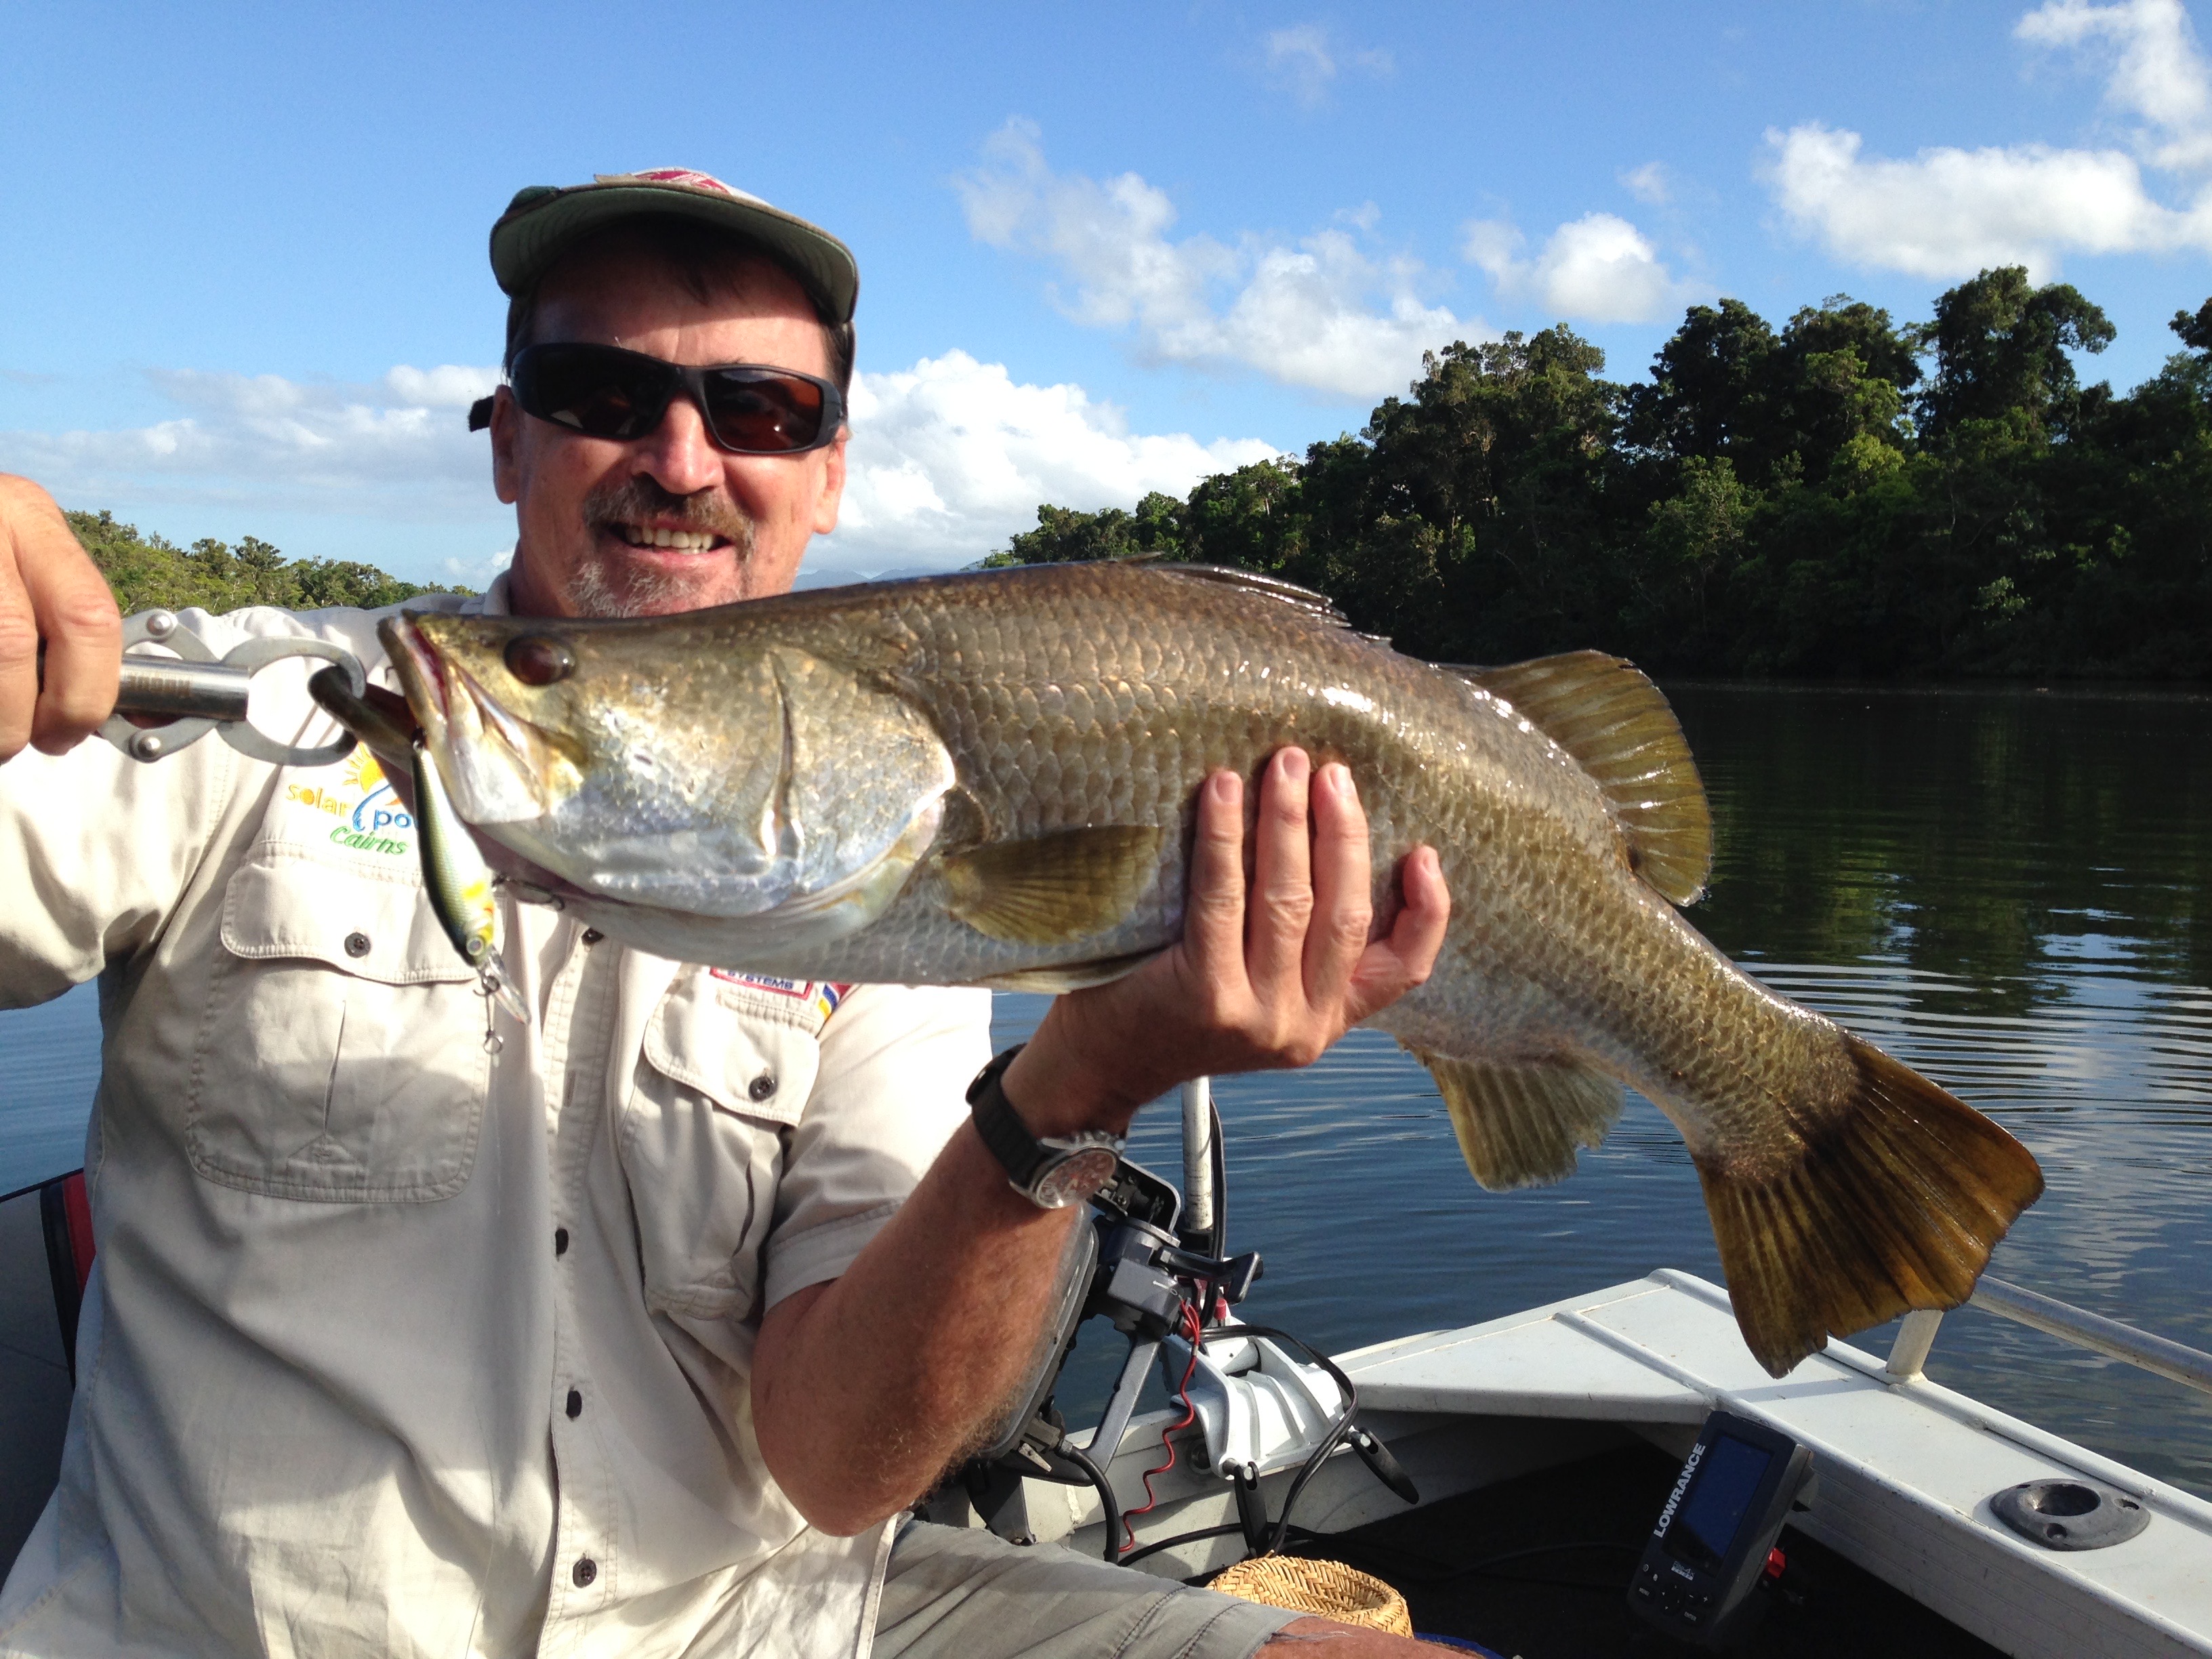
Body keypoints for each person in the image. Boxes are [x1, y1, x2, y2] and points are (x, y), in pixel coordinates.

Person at [0, 169, 1450, 1658]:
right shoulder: (238, 708)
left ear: (828, 474)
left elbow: (840, 1469)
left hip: (764, 1618)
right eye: (598, 387)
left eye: (760, 409)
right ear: (508, 441)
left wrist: (1079, 1086)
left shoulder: (900, 873)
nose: (681, 458)